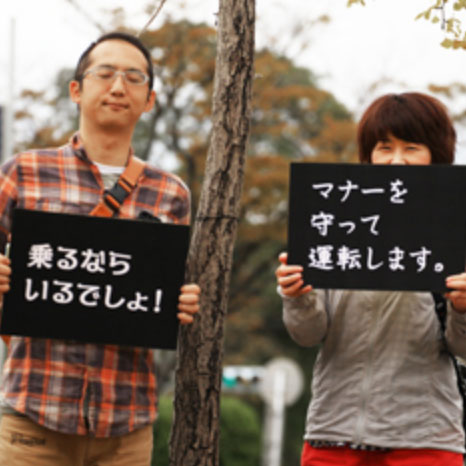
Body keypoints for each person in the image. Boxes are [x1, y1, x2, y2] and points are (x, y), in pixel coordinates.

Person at [0, 32, 200, 465]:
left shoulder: (171, 194)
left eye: (133, 77)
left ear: (149, 100)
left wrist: (182, 303)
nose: (117, 87)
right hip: (32, 418)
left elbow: (167, 298)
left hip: (126, 430)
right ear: (77, 89)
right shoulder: (23, 173)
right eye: (105, 73)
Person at [276, 92, 466, 466]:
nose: (397, 160)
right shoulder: (333, 221)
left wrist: (461, 307)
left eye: (412, 147)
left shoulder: (454, 229)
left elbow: (461, 346)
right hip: (333, 433)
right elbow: (307, 334)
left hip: (424, 438)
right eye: (384, 147)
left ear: (436, 156)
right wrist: (297, 295)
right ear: (369, 156)